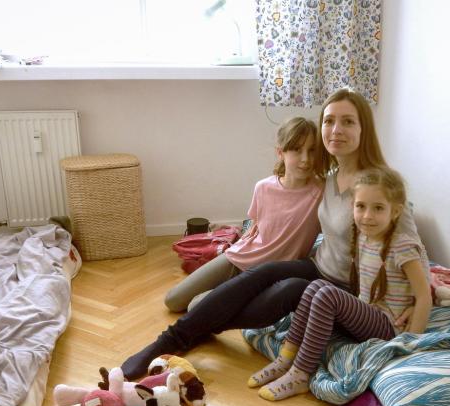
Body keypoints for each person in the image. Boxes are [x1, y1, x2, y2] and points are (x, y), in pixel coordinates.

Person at [116, 87, 420, 381]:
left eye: (348, 121)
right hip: (318, 265)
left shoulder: (379, 184)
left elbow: (412, 247)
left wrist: (418, 299)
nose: (336, 129)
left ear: (364, 128)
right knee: (263, 272)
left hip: (343, 286)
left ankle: (193, 330)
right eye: (329, 121)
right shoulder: (328, 177)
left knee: (287, 289)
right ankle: (165, 342)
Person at [249, 168, 432, 401]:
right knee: (314, 286)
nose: (367, 216)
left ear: (395, 211)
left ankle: (300, 373)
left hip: (388, 327)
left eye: (378, 208)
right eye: (360, 206)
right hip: (367, 316)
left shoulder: (403, 246)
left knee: (327, 294)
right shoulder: (363, 237)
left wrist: (410, 343)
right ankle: (286, 357)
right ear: (352, 207)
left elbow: (424, 294)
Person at [164, 117, 322, 312]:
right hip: (239, 256)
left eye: (312, 150)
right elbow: (255, 227)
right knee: (173, 300)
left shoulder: (321, 193)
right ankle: (223, 289)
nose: (306, 159)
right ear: (280, 152)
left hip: (267, 275)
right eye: (297, 149)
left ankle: (223, 293)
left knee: (196, 306)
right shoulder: (263, 187)